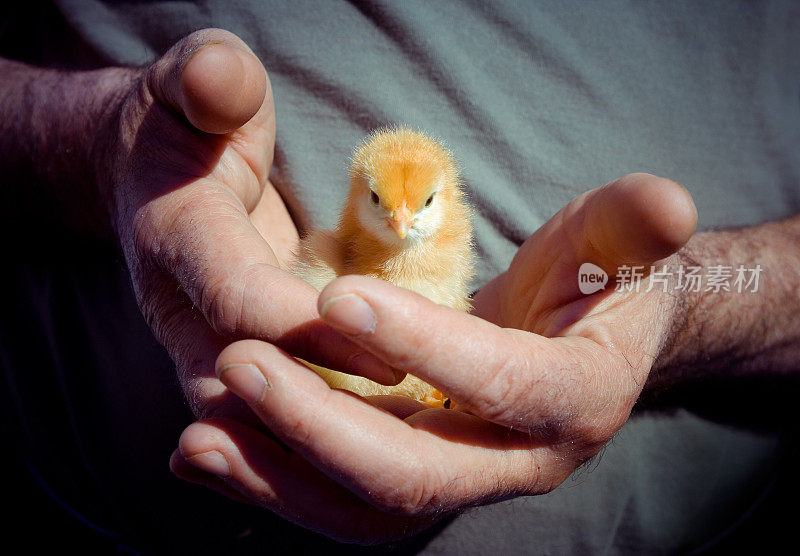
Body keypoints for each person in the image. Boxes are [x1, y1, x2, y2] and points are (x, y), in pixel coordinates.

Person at [1, 1, 797, 553]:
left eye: (422, 207)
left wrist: (688, 304)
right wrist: (104, 141)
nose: (407, 222)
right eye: (385, 204)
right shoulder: (348, 243)